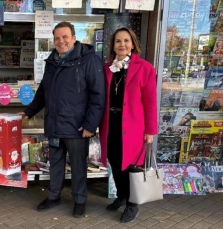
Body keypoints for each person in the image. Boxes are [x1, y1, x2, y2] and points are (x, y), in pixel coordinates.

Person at [18, 21, 105, 218]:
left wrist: (91, 125)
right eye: (57, 38)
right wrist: (29, 112)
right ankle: (53, 196)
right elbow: (43, 92)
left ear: (74, 38)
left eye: (65, 37)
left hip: (77, 126)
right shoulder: (52, 61)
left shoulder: (89, 60)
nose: (61, 41)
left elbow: (98, 95)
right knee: (55, 163)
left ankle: (80, 200)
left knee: (78, 166)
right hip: (55, 123)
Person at [99, 27, 158, 223]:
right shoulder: (107, 68)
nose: (122, 44)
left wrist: (150, 130)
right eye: (118, 41)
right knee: (115, 162)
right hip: (111, 123)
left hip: (133, 126)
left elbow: (150, 101)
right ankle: (122, 196)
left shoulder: (145, 68)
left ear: (133, 44)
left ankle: (133, 204)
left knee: (133, 166)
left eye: (126, 41)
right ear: (113, 46)